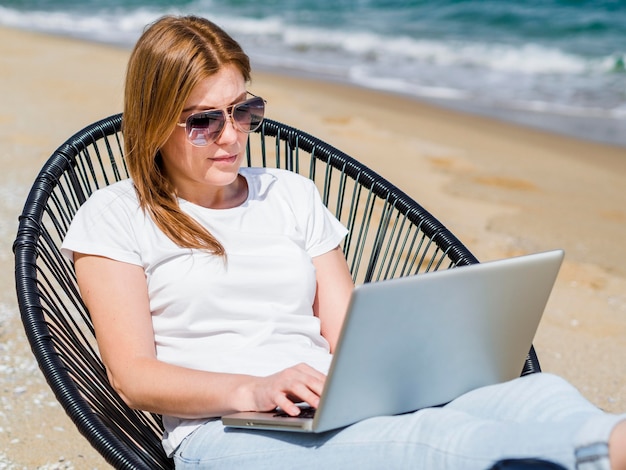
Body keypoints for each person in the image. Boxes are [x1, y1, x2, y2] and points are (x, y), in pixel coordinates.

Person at [60, 15, 626, 470]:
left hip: (333, 400)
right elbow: (132, 376)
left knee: (533, 394)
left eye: (244, 110)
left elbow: (345, 326)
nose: (232, 136)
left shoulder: (291, 194)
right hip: (225, 429)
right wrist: (254, 390)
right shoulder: (116, 217)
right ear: (155, 122)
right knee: (434, 440)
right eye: (204, 121)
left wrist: (412, 365)